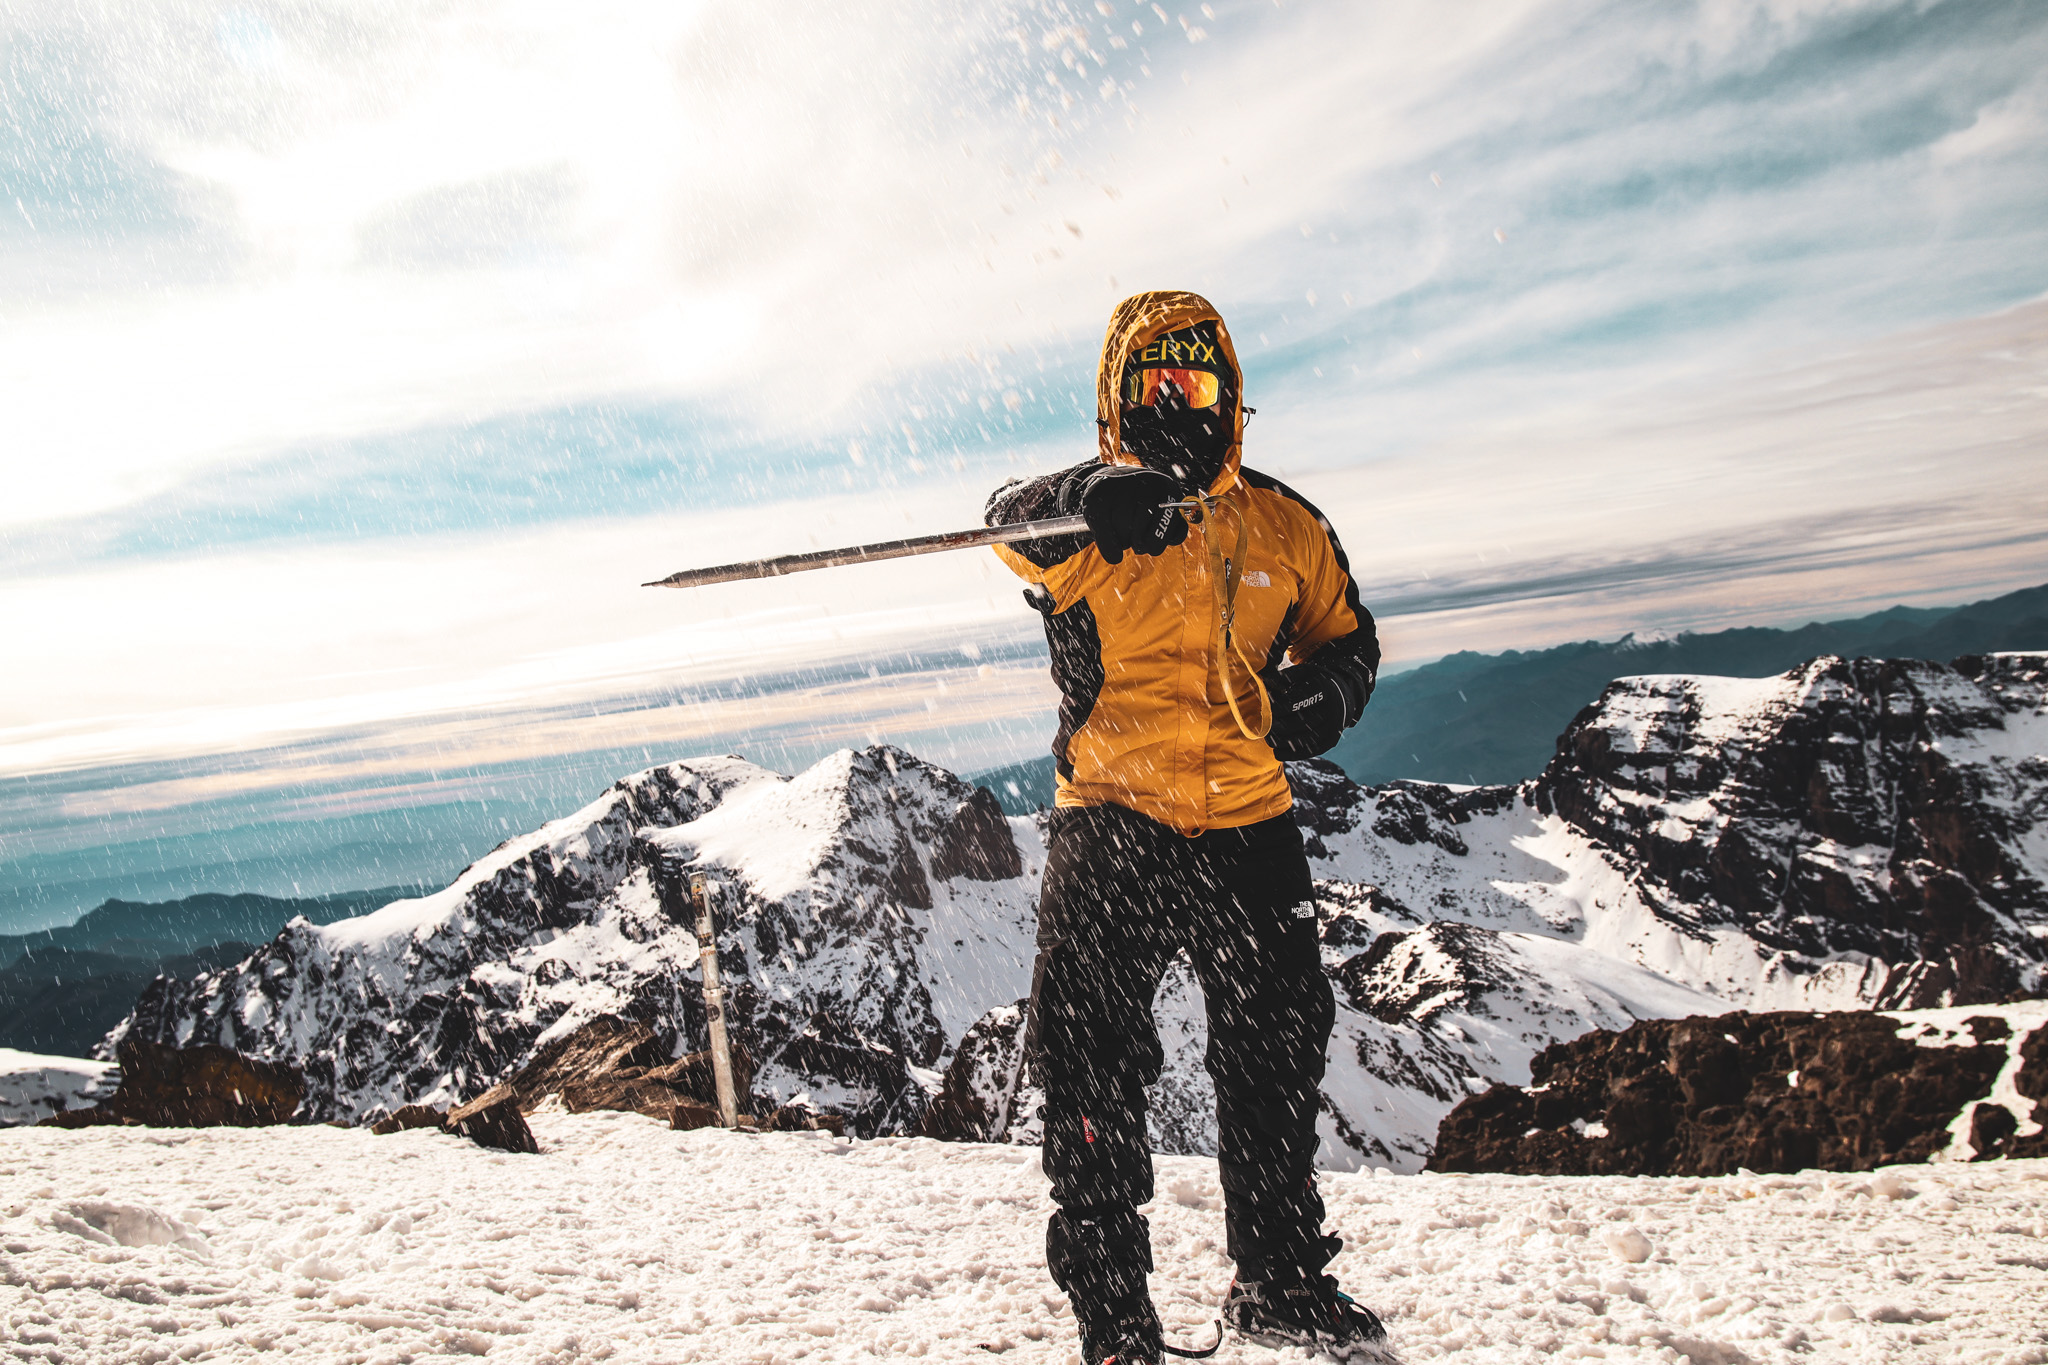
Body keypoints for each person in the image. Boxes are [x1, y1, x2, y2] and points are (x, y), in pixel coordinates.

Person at [985, 290, 1387, 1365]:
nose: (1178, 405)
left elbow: (1347, 642)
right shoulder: (1086, 523)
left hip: (1248, 821)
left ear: (1231, 396)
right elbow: (1006, 525)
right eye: (1152, 386)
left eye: (1196, 385)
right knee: (1086, 1062)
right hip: (1110, 820)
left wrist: (1326, 699)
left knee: (1272, 1052)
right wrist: (1085, 492)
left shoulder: (1284, 526)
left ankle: (1279, 1282)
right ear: (1118, 399)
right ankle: (1115, 1321)